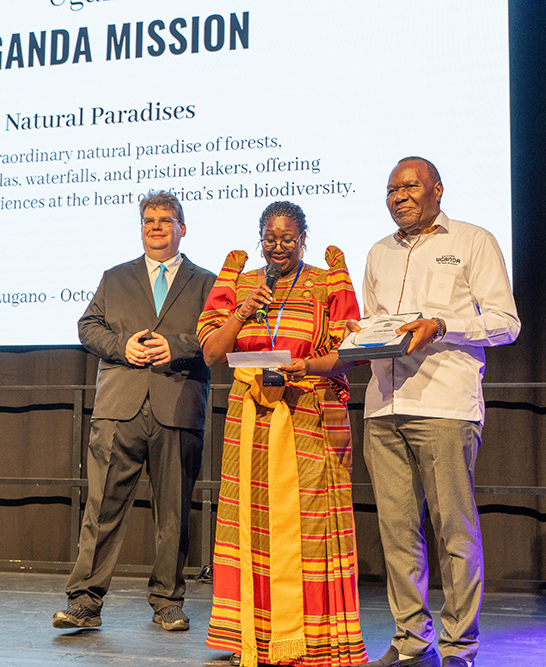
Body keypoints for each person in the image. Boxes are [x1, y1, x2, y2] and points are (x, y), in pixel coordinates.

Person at [358, 157, 520, 667]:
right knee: (397, 533)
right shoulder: (378, 252)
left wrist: (442, 325)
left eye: (409, 187)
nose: (399, 196)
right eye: (391, 189)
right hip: (382, 406)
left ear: (437, 190)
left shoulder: (473, 240)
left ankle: (459, 645)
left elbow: (505, 322)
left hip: (445, 404)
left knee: (454, 530)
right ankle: (411, 640)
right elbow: (374, 323)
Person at [198, 200, 368, 667]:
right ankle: (255, 635)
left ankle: (312, 640)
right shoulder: (240, 283)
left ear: (303, 239)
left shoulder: (325, 281)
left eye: (287, 239)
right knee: (254, 525)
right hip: (249, 420)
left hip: (307, 415)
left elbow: (354, 353)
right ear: (260, 240)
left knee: (308, 526)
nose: (278, 247)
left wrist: (306, 366)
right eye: (270, 239)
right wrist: (243, 312)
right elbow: (213, 353)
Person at [52, 189, 215, 632]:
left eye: (166, 219)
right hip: (118, 408)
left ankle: (168, 601)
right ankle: (84, 601)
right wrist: (121, 346)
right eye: (149, 220)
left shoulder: (207, 282)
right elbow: (88, 327)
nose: (156, 227)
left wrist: (178, 348)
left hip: (177, 406)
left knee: (174, 514)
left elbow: (220, 340)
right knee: (101, 508)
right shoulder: (116, 276)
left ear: (182, 228)